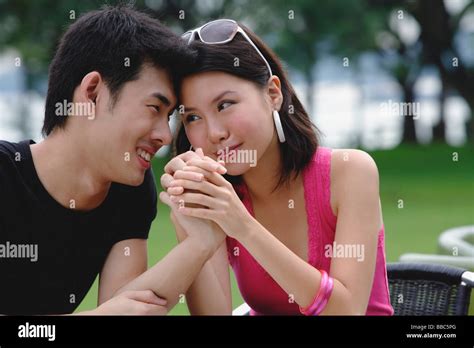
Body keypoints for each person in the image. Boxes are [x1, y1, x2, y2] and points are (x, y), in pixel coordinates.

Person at [0, 5, 226, 315]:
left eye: (170, 115)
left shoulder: (128, 189)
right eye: (154, 108)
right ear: (92, 93)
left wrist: (200, 242)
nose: (165, 135)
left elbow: (126, 307)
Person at [160, 19, 394, 315]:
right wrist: (191, 228)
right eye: (193, 117)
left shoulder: (350, 172)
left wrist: (242, 225)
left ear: (273, 94)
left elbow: (345, 311)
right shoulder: (220, 198)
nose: (214, 133)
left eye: (224, 105)